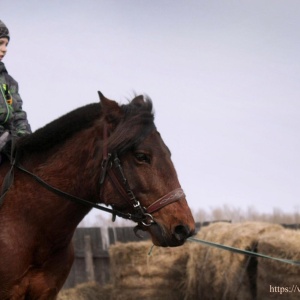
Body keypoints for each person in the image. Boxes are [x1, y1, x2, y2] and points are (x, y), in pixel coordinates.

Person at [0, 20, 31, 153]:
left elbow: (17, 113)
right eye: (0, 43)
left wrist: (25, 139)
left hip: (7, 142)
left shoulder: (7, 83)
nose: (5, 49)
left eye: (6, 44)